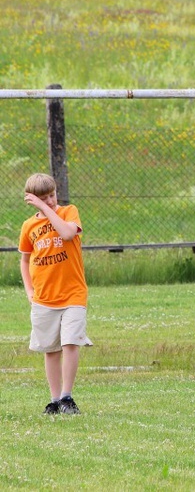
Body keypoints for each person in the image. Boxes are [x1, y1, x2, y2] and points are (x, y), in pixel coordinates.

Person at [18, 173, 92, 415]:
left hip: (73, 294)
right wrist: (29, 289)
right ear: (31, 199)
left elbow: (68, 234)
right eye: (43, 198)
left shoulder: (68, 211)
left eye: (51, 195)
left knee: (70, 342)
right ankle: (54, 399)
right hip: (44, 297)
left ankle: (67, 397)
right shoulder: (29, 226)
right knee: (51, 349)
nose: (49, 201)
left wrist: (45, 207)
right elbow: (25, 259)